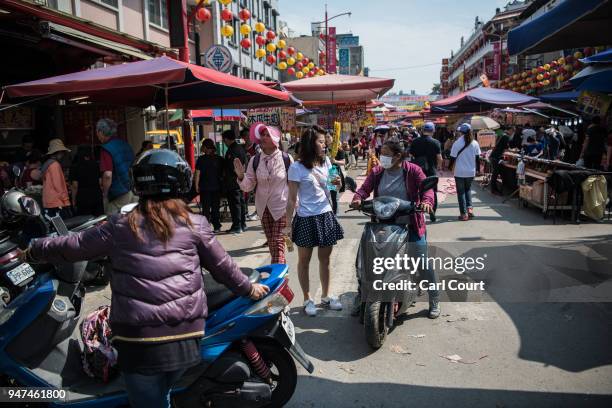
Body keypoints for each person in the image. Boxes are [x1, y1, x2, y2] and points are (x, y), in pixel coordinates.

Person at [23, 149, 269, 408]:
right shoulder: (195, 223)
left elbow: (73, 246)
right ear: (182, 183)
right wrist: (248, 289)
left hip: (138, 342)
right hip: (186, 340)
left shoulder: (119, 225)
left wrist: (32, 250)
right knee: (160, 395)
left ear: (138, 184)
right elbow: (224, 267)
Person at [350, 141, 439, 318]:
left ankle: (434, 298)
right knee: (365, 259)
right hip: (381, 223)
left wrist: (427, 202)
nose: (381, 157)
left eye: (385, 153)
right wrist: (358, 198)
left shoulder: (413, 170)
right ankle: (362, 295)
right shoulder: (377, 172)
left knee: (421, 260)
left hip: (410, 223)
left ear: (398, 156)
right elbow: (364, 188)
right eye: (381, 152)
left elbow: (427, 191)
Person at [284, 127, 344, 316]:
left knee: (325, 260)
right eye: (320, 141)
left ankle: (326, 296)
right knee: (304, 261)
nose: (324, 144)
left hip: (325, 214)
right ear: (311, 144)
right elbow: (292, 199)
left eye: (324, 141)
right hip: (305, 217)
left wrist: (337, 181)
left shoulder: (326, 161)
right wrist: (287, 225)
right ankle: (307, 298)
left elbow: (333, 187)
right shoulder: (296, 167)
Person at [234, 123, 292, 264]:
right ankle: (281, 277)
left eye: (268, 135)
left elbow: (294, 186)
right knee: (272, 245)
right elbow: (248, 186)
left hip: (282, 207)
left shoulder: (286, 159)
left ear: (275, 139)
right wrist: (241, 176)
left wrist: (295, 208)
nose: (264, 138)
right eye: (263, 135)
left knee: (277, 243)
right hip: (263, 208)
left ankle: (278, 280)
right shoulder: (255, 160)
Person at [97, 118, 136, 216]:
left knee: (113, 224)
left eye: (97, 132)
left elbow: (107, 175)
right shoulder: (125, 144)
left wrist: (105, 193)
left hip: (119, 193)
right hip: (133, 189)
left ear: (101, 132)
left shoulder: (106, 148)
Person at [410, 121, 442, 222]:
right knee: (431, 191)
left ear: (423, 130)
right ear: (432, 131)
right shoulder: (435, 142)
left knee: (418, 190)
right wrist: (439, 167)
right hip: (431, 170)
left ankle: (418, 212)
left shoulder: (415, 141)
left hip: (417, 170)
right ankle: (432, 210)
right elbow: (439, 158)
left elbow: (411, 155)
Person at [450, 123, 481, 221]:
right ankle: (470, 209)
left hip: (459, 172)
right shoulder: (475, 143)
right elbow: (478, 158)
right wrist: (478, 170)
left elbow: (452, 158)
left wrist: (449, 167)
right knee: (468, 190)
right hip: (471, 171)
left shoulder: (457, 143)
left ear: (460, 132)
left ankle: (463, 214)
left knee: (461, 192)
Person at [195, 139, 224, 233]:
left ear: (206, 148)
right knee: (216, 208)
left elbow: (197, 174)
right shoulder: (219, 159)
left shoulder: (201, 159)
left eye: (203, 146)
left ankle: (206, 227)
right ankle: (217, 226)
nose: (202, 148)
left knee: (206, 209)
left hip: (205, 187)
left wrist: (196, 185)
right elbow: (223, 173)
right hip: (217, 187)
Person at [222, 129, 248, 234]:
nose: (224, 142)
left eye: (224, 140)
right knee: (240, 203)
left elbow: (234, 167)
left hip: (233, 181)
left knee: (235, 204)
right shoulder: (239, 148)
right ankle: (242, 224)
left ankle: (237, 226)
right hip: (239, 180)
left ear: (227, 139)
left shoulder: (233, 150)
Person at [41, 139, 72, 219]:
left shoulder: (47, 164)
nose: (63, 154)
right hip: (57, 202)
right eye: (62, 152)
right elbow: (58, 185)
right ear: (58, 152)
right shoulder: (55, 165)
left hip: (49, 202)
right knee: (64, 228)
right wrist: (66, 200)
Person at [70, 146, 104, 216]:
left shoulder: (75, 167)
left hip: (83, 198)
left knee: (85, 222)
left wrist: (73, 200)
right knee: (99, 220)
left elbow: (75, 186)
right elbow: (100, 182)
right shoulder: (96, 165)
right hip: (97, 196)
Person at [324, 132, 346, 215]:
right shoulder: (323, 148)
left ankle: (335, 216)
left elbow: (344, 162)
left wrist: (335, 161)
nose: (327, 139)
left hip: (334, 173)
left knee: (334, 196)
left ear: (333, 138)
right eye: (325, 137)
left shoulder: (339, 149)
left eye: (328, 137)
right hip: (323, 174)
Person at [489, 130, 510, 195]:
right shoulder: (505, 137)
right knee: (495, 174)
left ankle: (498, 189)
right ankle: (494, 190)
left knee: (498, 173)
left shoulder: (501, 136)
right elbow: (506, 149)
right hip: (496, 158)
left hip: (495, 157)